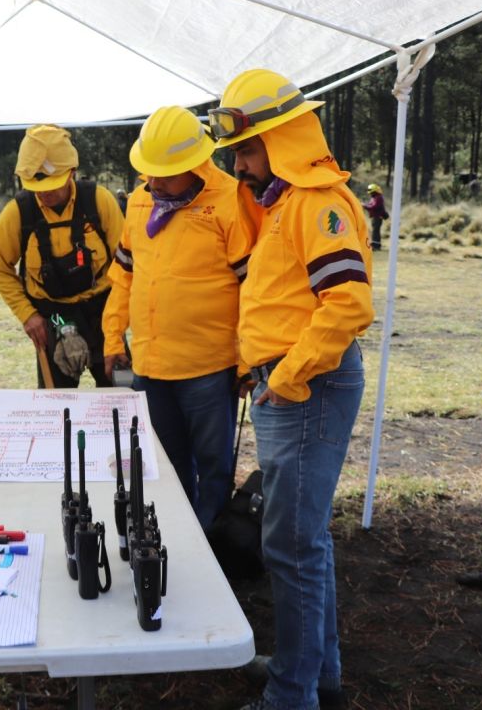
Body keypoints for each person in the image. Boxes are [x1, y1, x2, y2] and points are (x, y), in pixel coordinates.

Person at [207, 69, 374, 710]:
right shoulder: (285, 202)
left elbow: (348, 303)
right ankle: (315, 672)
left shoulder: (317, 203)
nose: (241, 166)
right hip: (295, 387)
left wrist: (283, 375)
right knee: (304, 540)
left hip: (309, 389)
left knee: (291, 544)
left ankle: (292, 694)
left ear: (280, 139)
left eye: (247, 151)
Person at [102, 105, 251, 531]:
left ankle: (211, 545)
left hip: (208, 367)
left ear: (194, 163)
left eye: (164, 172)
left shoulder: (230, 200)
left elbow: (251, 288)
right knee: (165, 465)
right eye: (148, 171)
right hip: (150, 366)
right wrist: (113, 338)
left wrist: (246, 359)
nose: (154, 181)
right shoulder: (139, 200)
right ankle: (177, 540)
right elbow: (124, 275)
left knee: (213, 467)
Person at [0, 124, 122, 388]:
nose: (44, 193)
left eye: (52, 185)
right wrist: (28, 315)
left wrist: (117, 321)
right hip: (53, 319)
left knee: (119, 401)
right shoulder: (18, 213)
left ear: (71, 172)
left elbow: (127, 261)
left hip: (103, 315)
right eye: (37, 186)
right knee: (55, 408)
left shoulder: (99, 201)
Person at [362, 182, 388, 250]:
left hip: (377, 217)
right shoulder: (375, 197)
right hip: (375, 217)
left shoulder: (378, 197)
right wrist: (366, 205)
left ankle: (375, 246)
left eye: (371, 192)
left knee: (375, 231)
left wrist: (365, 206)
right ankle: (376, 245)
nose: (370, 194)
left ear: (374, 191)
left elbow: (374, 207)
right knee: (375, 231)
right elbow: (371, 205)